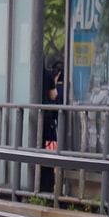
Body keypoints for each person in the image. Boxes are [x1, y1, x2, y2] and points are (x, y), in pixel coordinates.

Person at [40, 61, 63, 195]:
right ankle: (47, 185)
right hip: (47, 119)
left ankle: (38, 183)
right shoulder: (48, 75)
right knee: (47, 153)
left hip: (35, 119)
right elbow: (53, 95)